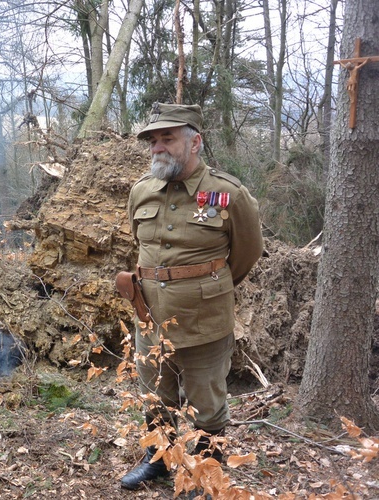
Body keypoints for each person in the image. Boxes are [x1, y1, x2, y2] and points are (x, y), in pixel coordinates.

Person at [119, 103, 263, 490]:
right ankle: (159, 460)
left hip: (204, 321)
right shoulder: (141, 192)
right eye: (153, 140)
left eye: (168, 138)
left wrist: (203, 289)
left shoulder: (227, 193)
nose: (157, 148)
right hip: (150, 317)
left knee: (207, 402)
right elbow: (140, 247)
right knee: (155, 394)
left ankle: (206, 474)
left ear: (195, 142)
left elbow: (247, 253)